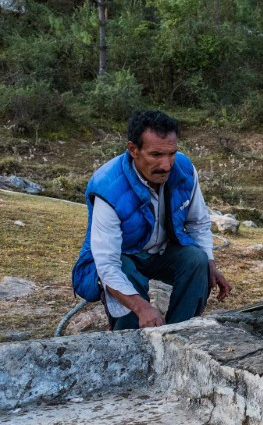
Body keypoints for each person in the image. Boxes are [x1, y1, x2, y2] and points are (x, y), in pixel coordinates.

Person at [72, 110, 231, 330]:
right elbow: (107, 264)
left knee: (197, 260)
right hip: (124, 256)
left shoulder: (184, 170)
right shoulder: (108, 188)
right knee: (125, 271)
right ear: (133, 150)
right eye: (156, 155)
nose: (166, 165)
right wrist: (142, 308)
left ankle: (179, 334)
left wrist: (210, 264)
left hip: (164, 251)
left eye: (172, 154)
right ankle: (127, 341)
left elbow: (198, 223)